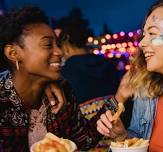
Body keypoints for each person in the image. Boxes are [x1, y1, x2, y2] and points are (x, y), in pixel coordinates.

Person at [0, 6, 116, 151]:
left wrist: (119, 98)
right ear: (13, 53)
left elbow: (85, 140)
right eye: (48, 44)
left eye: (58, 44)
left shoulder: (62, 88)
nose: (60, 51)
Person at [96, 0, 163, 151]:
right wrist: (123, 138)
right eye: (144, 34)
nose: (141, 43)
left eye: (152, 33)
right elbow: (139, 142)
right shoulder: (146, 94)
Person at [54, 20, 120, 104]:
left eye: (60, 46)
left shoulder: (64, 74)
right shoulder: (107, 64)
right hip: (113, 115)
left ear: (66, 45)